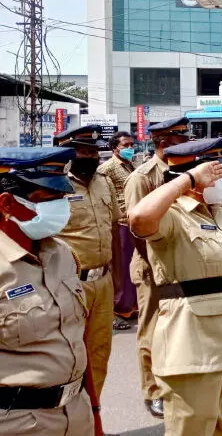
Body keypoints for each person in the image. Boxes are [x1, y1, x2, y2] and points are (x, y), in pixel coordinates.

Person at [129, 138, 222, 435]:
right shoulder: (172, 215)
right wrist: (187, 180)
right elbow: (138, 218)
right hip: (191, 345)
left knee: (216, 426)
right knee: (192, 429)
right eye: (217, 171)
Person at [0, 147, 99, 436]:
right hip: (18, 423)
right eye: (48, 199)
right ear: (7, 204)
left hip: (76, 414)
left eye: (61, 197)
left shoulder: (63, 255)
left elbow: (77, 341)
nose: (60, 208)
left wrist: (94, 412)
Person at [124, 116, 191, 419]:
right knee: (151, 329)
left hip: (179, 258)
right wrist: (156, 262)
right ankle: (153, 391)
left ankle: (175, 382)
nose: (187, 140)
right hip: (152, 264)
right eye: (181, 137)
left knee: (177, 325)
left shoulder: (185, 169)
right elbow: (137, 228)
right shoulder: (142, 177)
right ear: (163, 142)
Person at [54, 125, 120, 413]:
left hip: (102, 282)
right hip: (68, 284)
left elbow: (114, 227)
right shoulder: (54, 186)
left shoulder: (104, 181)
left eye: (94, 151)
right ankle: (65, 420)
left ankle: (93, 418)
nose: (91, 156)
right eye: (84, 151)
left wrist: (116, 275)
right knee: (66, 356)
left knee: (98, 354)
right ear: (68, 152)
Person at [98, 131, 137, 329]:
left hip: (135, 221)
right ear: (115, 148)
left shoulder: (133, 164)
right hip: (120, 222)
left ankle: (133, 303)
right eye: (126, 145)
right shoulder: (107, 168)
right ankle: (120, 306)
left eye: (132, 144)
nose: (130, 148)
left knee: (135, 265)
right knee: (121, 267)